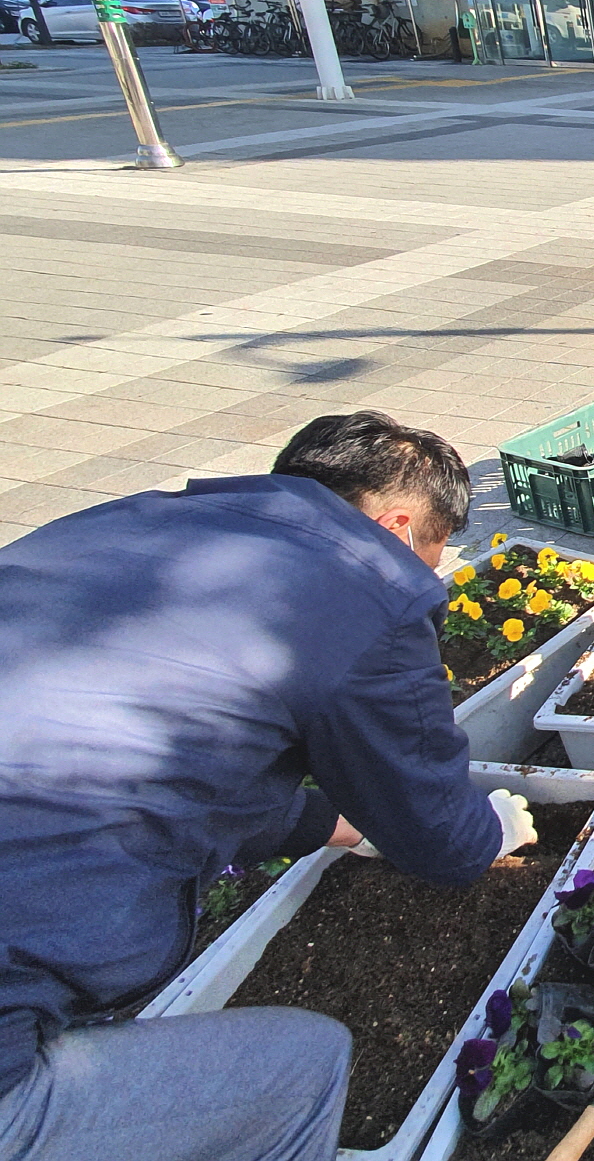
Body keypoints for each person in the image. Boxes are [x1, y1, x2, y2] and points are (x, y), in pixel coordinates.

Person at [0, 411, 540, 1161]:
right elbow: (444, 845)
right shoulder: (369, 587)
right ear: (396, 526)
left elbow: (160, 768)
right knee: (305, 1068)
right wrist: (486, 834)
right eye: (431, 558)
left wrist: (331, 825)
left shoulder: (126, 521)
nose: (425, 581)